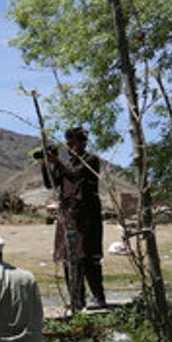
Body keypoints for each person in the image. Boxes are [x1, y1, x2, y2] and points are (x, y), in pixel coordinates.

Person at [43, 126, 105, 310]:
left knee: (87, 257)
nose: (70, 148)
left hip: (86, 217)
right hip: (68, 215)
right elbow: (50, 184)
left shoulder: (90, 161)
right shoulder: (66, 165)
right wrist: (46, 164)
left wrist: (59, 164)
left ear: (82, 142)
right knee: (68, 258)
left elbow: (77, 176)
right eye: (67, 144)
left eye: (73, 144)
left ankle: (98, 297)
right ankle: (76, 299)